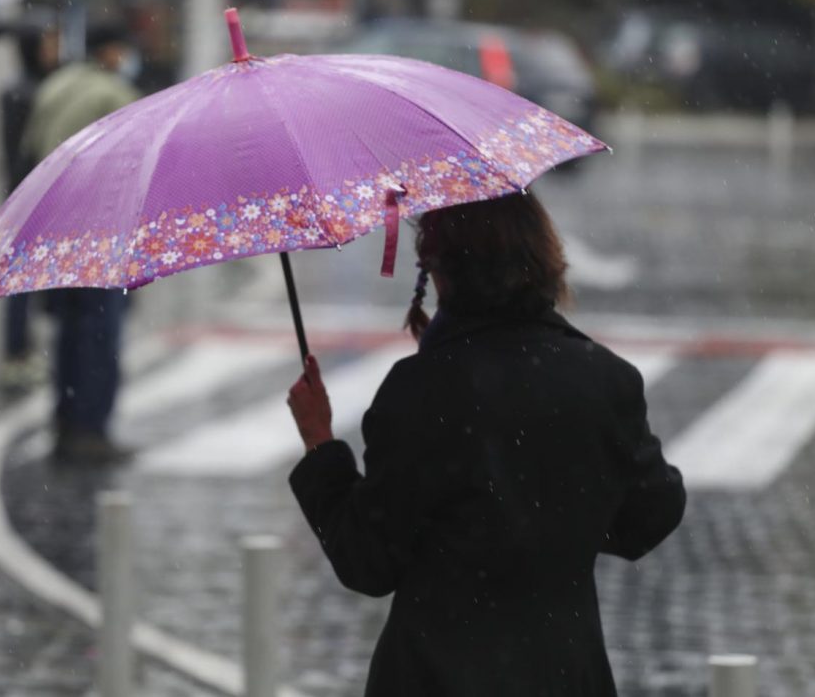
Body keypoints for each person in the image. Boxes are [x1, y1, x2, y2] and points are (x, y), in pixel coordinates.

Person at [286, 191, 686, 697]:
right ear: (542, 258)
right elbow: (651, 513)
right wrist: (554, 518)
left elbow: (367, 560)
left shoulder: (421, 389)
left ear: (441, 274)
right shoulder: (604, 379)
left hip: (435, 677)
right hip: (562, 675)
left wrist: (320, 445)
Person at [21, 23, 141, 463]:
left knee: (69, 330)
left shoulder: (55, 85)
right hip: (98, 230)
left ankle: (67, 419)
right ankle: (91, 428)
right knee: (100, 332)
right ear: (110, 52)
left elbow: (31, 146)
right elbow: (136, 166)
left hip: (54, 226)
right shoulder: (113, 96)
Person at [0, 11, 60, 384]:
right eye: (48, 42)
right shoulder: (24, 92)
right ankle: (16, 350)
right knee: (21, 282)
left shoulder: (33, 87)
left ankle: (22, 349)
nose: (55, 50)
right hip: (30, 196)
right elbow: (24, 150)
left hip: (30, 193)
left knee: (28, 280)